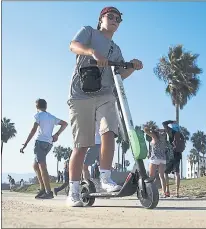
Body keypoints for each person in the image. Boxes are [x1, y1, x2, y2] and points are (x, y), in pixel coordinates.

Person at [67, 6, 143, 207]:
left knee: (109, 131)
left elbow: (118, 76)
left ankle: (106, 178)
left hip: (105, 95)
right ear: (101, 19)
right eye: (111, 16)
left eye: (118, 18)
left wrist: (132, 67)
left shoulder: (116, 50)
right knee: (82, 145)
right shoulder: (89, 32)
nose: (115, 20)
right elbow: (73, 46)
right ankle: (73, 191)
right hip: (80, 95)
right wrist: (92, 52)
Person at [20, 98, 68, 199]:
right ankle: (42, 189)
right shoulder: (51, 117)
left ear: (37, 106)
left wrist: (25, 143)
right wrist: (57, 134)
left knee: (42, 166)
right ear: (46, 106)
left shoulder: (38, 115)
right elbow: (65, 124)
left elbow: (33, 130)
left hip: (40, 142)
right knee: (35, 165)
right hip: (48, 144)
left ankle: (48, 191)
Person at [162, 120, 186, 198]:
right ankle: (177, 192)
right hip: (178, 154)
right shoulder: (181, 134)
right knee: (177, 173)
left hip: (170, 154)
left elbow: (164, 123)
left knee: (165, 173)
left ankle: (167, 191)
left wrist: (171, 121)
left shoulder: (171, 131)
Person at [143, 126, 168, 197]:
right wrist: (158, 130)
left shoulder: (154, 136)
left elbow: (145, 130)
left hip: (155, 158)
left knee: (151, 176)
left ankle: (151, 191)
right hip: (163, 158)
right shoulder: (163, 138)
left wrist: (151, 129)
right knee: (161, 176)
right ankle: (164, 192)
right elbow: (165, 130)